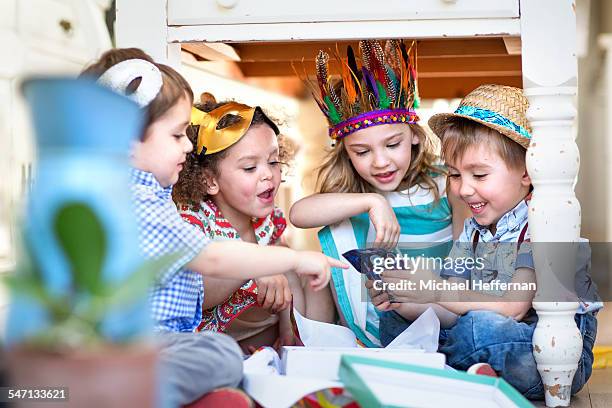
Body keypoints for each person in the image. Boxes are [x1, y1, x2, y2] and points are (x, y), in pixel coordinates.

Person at [82, 48, 346, 407]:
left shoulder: (140, 195)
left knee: (220, 359)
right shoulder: (134, 201)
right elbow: (212, 258)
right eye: (176, 136)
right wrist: (293, 261)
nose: (188, 145)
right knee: (219, 353)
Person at [372, 84, 601, 399]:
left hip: (549, 354)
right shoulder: (471, 231)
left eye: (479, 176)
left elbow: (514, 308)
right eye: (454, 175)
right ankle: (467, 374)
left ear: (527, 172)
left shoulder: (544, 222)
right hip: (485, 335)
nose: (464, 190)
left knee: (482, 329)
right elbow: (449, 311)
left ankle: (443, 371)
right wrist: (407, 297)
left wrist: (435, 289)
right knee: (395, 320)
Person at [289, 40, 469, 347]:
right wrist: (373, 201)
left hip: (438, 308)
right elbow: (299, 214)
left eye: (392, 144)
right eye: (362, 151)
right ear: (346, 151)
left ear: (414, 135)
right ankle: (320, 353)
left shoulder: (445, 183)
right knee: (311, 263)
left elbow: (465, 256)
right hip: (373, 316)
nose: (380, 161)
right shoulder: (353, 196)